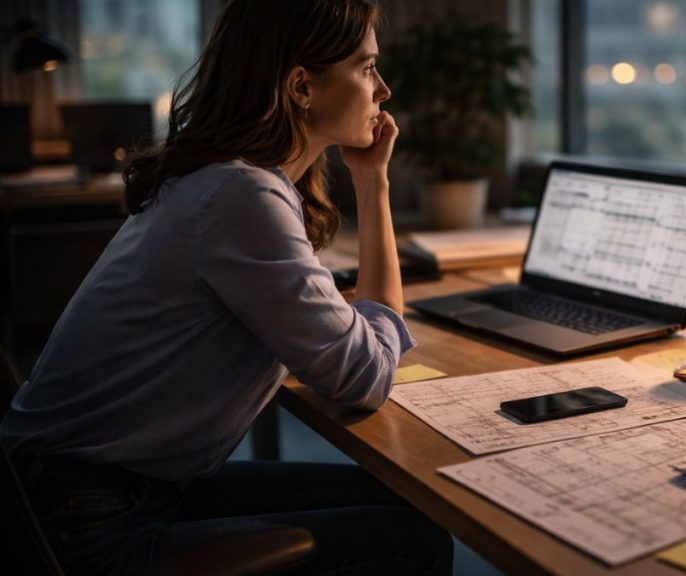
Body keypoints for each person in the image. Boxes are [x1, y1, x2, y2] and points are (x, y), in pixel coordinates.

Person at [0, 0, 453, 574]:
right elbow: (364, 377)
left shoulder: (221, 180)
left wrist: (368, 176)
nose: (383, 89)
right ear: (301, 87)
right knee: (411, 536)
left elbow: (339, 342)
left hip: (97, 486)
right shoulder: (242, 197)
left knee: (406, 500)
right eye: (366, 68)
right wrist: (373, 183)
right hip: (92, 521)